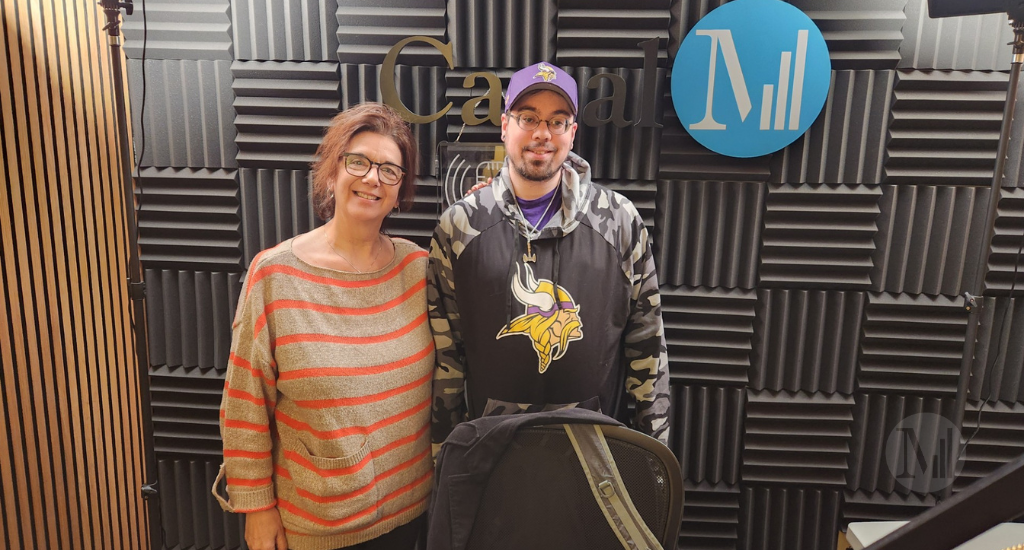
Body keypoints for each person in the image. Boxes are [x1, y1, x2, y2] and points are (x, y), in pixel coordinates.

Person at [214, 103, 433, 550]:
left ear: (399, 191)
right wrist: (256, 507)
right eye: (359, 162)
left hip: (414, 513)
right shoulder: (275, 275)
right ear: (332, 173)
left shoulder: (417, 268)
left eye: (390, 171)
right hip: (320, 525)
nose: (373, 178)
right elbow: (244, 402)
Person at [427, 62, 671, 452]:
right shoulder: (459, 226)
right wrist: (446, 456)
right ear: (505, 125)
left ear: (572, 134)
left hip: (593, 458)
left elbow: (647, 348)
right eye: (528, 118)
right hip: (491, 457)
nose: (542, 133)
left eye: (557, 121)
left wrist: (654, 457)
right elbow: (447, 358)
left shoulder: (619, 221)